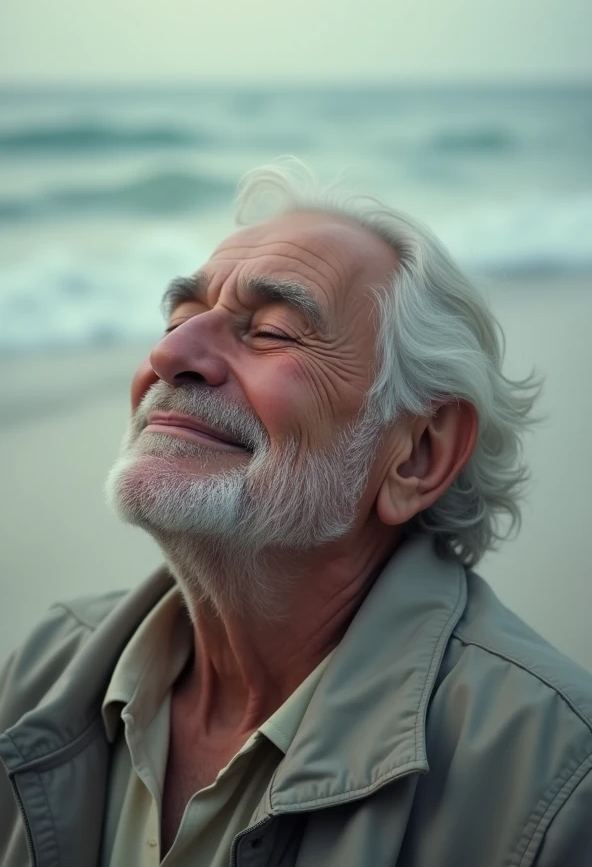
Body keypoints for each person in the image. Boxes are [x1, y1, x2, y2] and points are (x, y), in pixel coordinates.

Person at [1, 165, 591, 867]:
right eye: (180, 319)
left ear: (418, 456)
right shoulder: (45, 669)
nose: (169, 354)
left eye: (274, 332)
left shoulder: (554, 781)